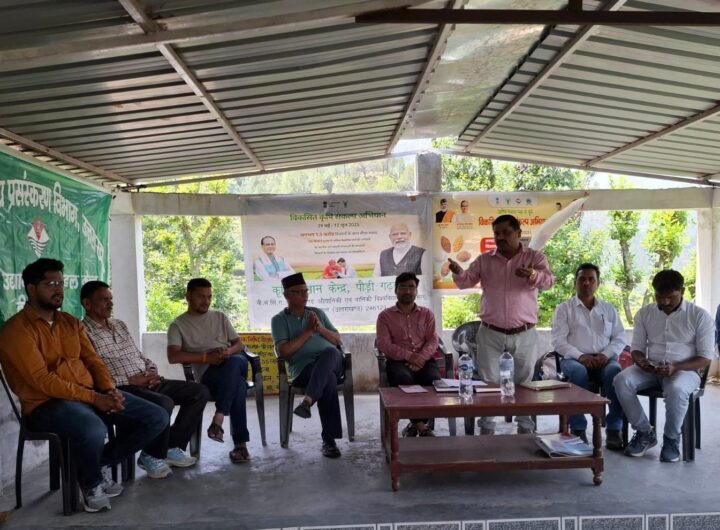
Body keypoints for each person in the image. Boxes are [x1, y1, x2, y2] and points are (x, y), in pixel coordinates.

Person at [0, 259, 169, 512]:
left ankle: (96, 465)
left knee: (156, 416)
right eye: (50, 284)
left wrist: (110, 390)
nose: (58, 289)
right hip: (46, 405)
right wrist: (95, 398)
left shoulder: (69, 322)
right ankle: (91, 483)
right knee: (93, 428)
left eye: (61, 283)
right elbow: (42, 380)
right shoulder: (16, 330)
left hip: (88, 395)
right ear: (31, 289)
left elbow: (93, 360)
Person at [81, 281, 210, 474]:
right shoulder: (82, 332)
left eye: (111, 299)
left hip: (147, 380)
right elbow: (90, 372)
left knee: (199, 392)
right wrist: (129, 380)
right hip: (120, 388)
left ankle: (170, 446)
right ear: (87, 303)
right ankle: (151, 455)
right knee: (164, 403)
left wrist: (151, 370)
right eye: (104, 300)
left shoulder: (119, 325)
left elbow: (138, 354)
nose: (110, 304)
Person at [448, 214, 554, 434]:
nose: (500, 237)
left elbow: (549, 282)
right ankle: (486, 429)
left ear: (518, 233)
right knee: (488, 382)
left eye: (506, 232)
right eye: (497, 233)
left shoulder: (534, 258)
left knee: (524, 382)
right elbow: (466, 281)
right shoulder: (484, 260)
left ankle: (525, 429)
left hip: (524, 333)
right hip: (491, 332)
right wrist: (459, 273)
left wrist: (533, 275)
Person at [614, 270, 715, 462]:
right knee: (621, 380)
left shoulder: (699, 316)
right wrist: (642, 362)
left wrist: (675, 368)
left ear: (682, 291)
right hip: (651, 369)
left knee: (676, 389)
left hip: (685, 371)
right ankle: (644, 432)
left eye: (671, 297)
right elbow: (636, 349)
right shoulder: (645, 314)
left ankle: (671, 439)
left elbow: (705, 357)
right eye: (660, 297)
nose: (665, 302)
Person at [166, 278, 252, 464]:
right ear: (188, 296)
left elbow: (239, 344)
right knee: (238, 385)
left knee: (235, 361)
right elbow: (173, 356)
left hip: (232, 361)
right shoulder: (178, 325)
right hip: (208, 374)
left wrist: (227, 352)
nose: (206, 301)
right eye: (201, 296)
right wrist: (206, 358)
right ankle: (240, 445)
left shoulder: (220, 317)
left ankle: (219, 417)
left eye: (209, 297)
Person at [551, 263, 625, 449]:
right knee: (578, 372)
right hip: (574, 360)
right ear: (575, 283)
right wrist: (581, 356)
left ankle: (614, 428)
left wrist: (605, 355)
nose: (586, 283)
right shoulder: (564, 309)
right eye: (582, 279)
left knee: (616, 373)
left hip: (604, 360)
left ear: (598, 283)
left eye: (591, 279)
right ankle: (578, 428)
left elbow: (619, 338)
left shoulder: (609, 309)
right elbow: (558, 341)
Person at [271, 273, 344, 458]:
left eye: (306, 291)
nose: (304, 295)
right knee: (327, 379)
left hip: (334, 361)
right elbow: (284, 351)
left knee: (330, 353)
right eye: (298, 292)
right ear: (287, 295)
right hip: (304, 370)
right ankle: (329, 441)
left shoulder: (317, 313)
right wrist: (308, 331)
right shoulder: (279, 320)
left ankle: (307, 401)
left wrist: (319, 328)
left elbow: (337, 340)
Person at [376, 272, 440, 437]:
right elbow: (384, 344)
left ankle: (414, 424)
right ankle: (422, 427)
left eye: (411, 287)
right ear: (396, 290)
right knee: (404, 380)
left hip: (424, 360)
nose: (407, 291)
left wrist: (421, 358)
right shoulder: (385, 316)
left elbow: (433, 340)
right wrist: (410, 356)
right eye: (403, 287)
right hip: (397, 361)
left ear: (416, 291)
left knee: (433, 381)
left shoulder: (427, 314)